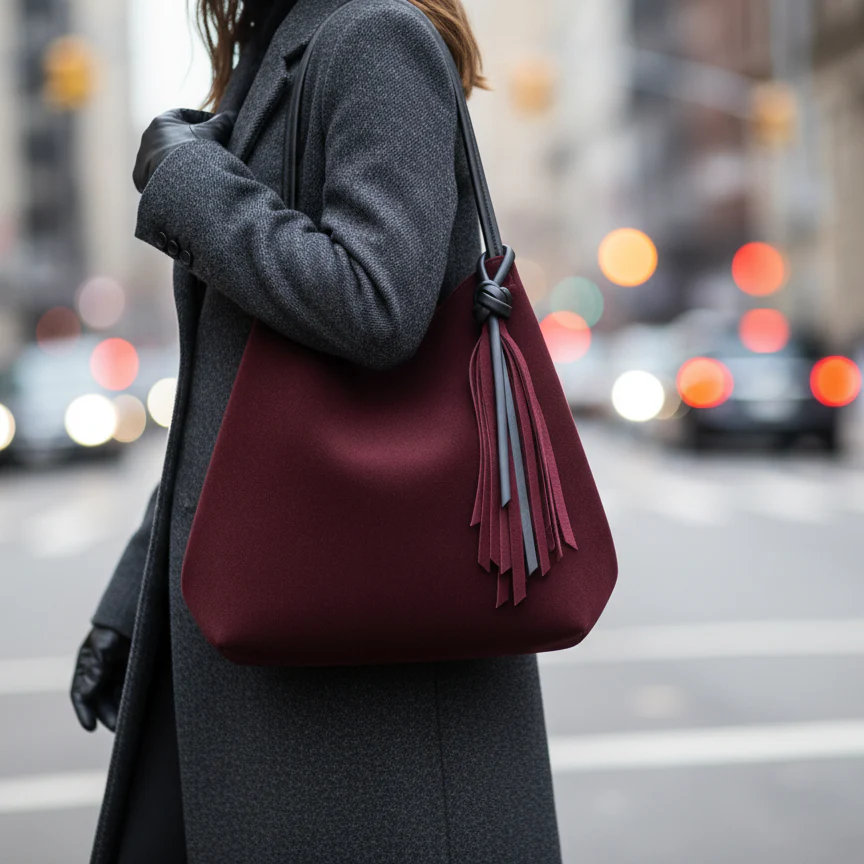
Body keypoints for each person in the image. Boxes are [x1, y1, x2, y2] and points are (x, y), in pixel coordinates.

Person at [70, 0, 563, 861]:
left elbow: (379, 301)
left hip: (364, 728)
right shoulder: (273, 52)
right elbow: (235, 402)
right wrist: (130, 608)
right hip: (260, 653)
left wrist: (195, 186)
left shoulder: (376, 36)